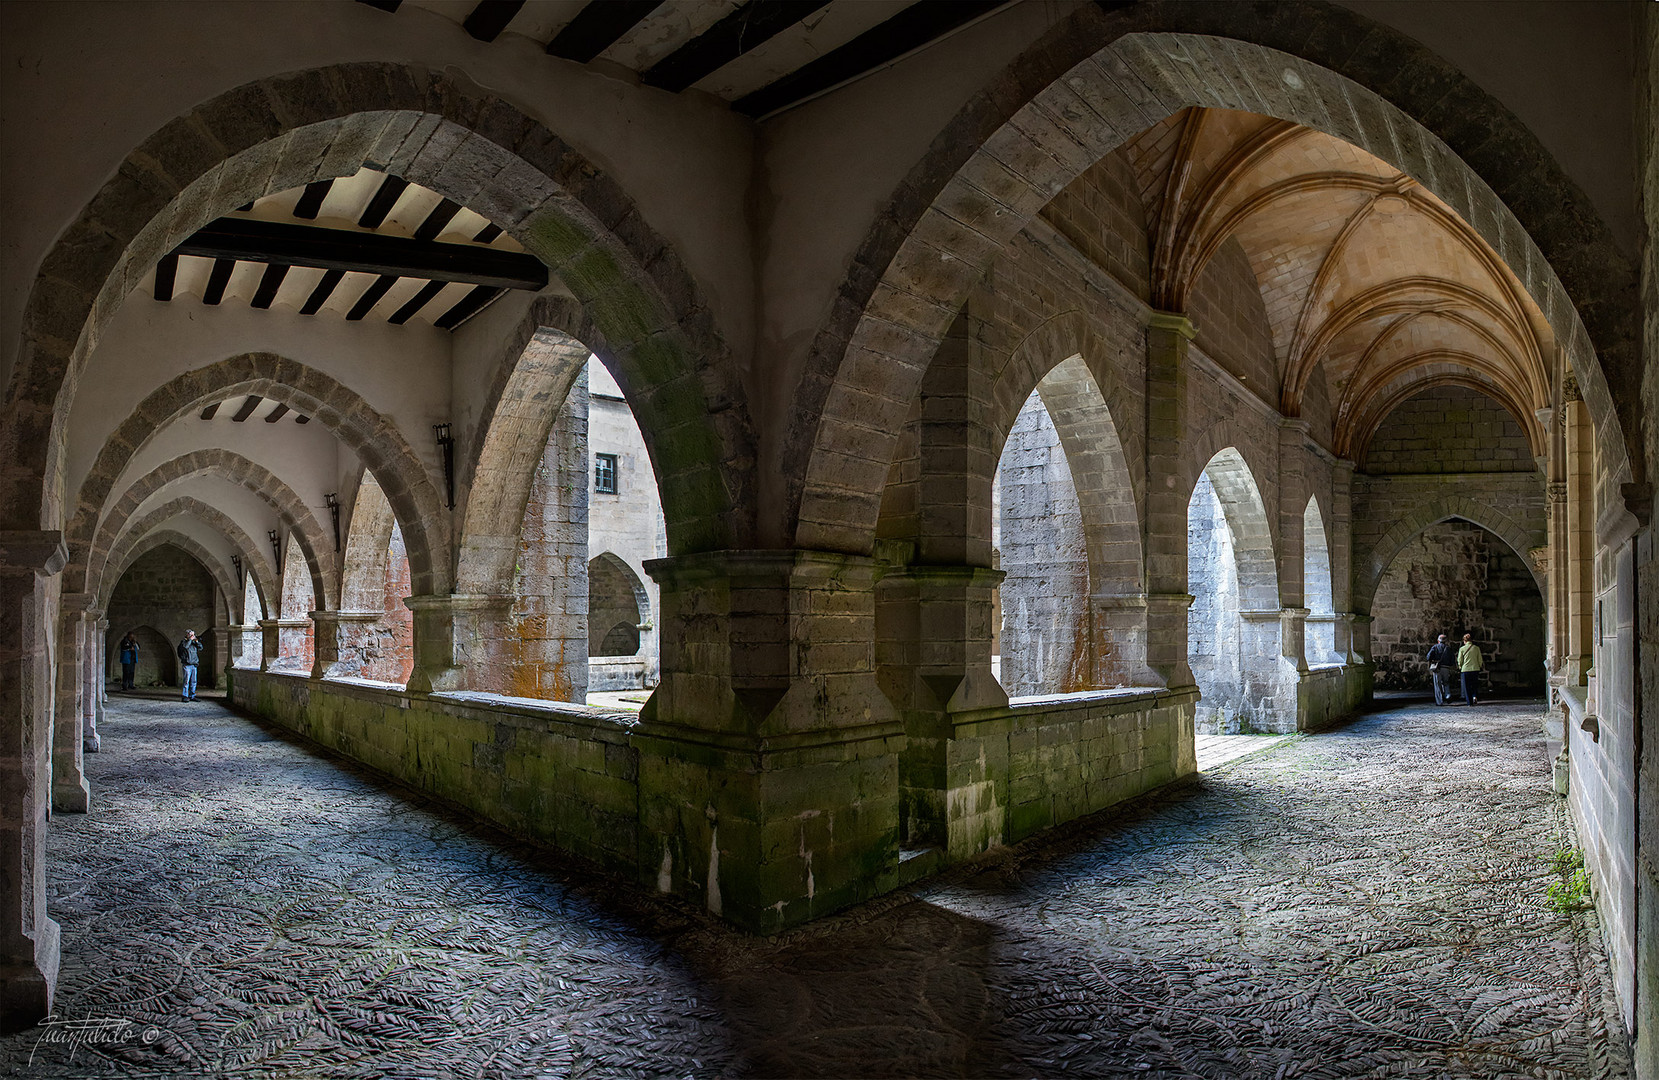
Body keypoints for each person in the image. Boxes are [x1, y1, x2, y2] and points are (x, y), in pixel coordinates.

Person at [1425, 633, 1455, 706]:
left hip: (1437, 668)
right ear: (1445, 641)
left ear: (1438, 641)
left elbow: (1428, 657)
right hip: (1446, 668)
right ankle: (1447, 695)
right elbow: (1452, 660)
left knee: (1437, 684)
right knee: (1446, 683)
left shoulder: (1435, 647)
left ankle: (1439, 701)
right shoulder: (1448, 648)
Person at [1457, 632, 1484, 706]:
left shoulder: (1462, 649)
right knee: (1474, 684)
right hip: (1475, 669)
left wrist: (1460, 666)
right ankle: (1474, 696)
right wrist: (1479, 666)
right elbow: (1480, 659)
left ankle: (1469, 702)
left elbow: (1460, 660)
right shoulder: (1476, 648)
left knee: (1467, 686)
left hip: (1465, 670)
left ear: (1464, 641)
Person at [177, 629, 203, 702]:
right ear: (187, 635)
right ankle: (185, 696)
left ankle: (192, 695)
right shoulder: (183, 642)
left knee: (193, 681)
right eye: (190, 635)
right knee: (186, 681)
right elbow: (185, 647)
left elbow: (201, 648)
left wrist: (196, 641)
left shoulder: (194, 643)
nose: (192, 636)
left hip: (194, 664)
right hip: (187, 664)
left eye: (193, 635)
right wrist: (190, 640)